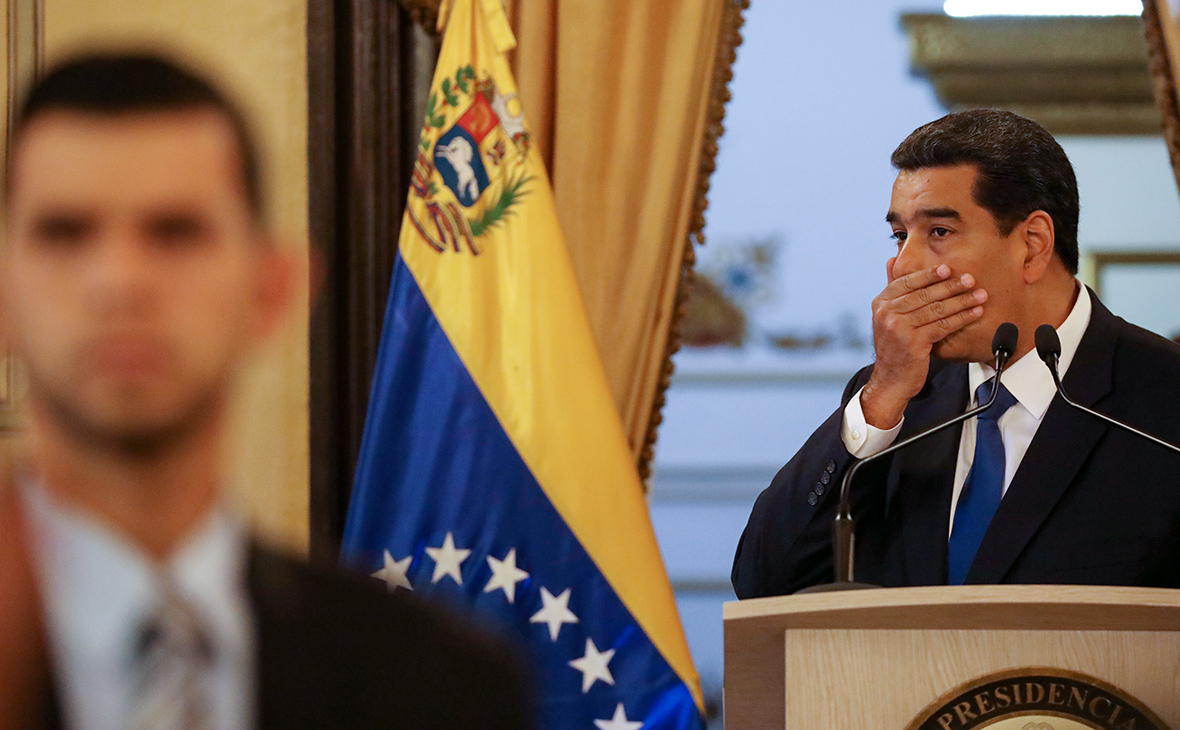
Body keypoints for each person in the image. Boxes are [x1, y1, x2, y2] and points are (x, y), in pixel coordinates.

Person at [2, 52, 533, 729]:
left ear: (272, 289)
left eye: (175, 233)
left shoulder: (448, 684)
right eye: (65, 234)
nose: (119, 280)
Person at [731, 109, 1180, 598]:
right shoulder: (896, 398)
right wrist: (882, 399)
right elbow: (764, 582)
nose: (903, 265)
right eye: (900, 236)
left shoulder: (1164, 397)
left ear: (1033, 245)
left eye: (939, 232)